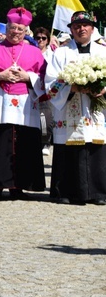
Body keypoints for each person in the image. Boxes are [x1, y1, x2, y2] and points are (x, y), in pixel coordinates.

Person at [0, 8, 47, 200]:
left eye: (20, 29)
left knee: (24, 144)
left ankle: (19, 186)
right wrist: (0, 76)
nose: (16, 32)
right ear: (6, 28)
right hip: (0, 103)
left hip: (25, 105)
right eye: (13, 28)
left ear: (26, 31)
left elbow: (45, 79)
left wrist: (28, 77)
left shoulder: (34, 52)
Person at [45, 11, 106, 205]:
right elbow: (50, 82)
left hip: (94, 109)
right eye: (77, 26)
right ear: (71, 29)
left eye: (85, 25)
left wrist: (102, 88)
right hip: (69, 106)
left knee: (95, 146)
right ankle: (66, 192)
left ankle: (99, 193)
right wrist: (70, 86)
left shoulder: (103, 51)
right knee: (69, 149)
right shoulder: (61, 53)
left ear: (92, 28)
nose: (81, 29)